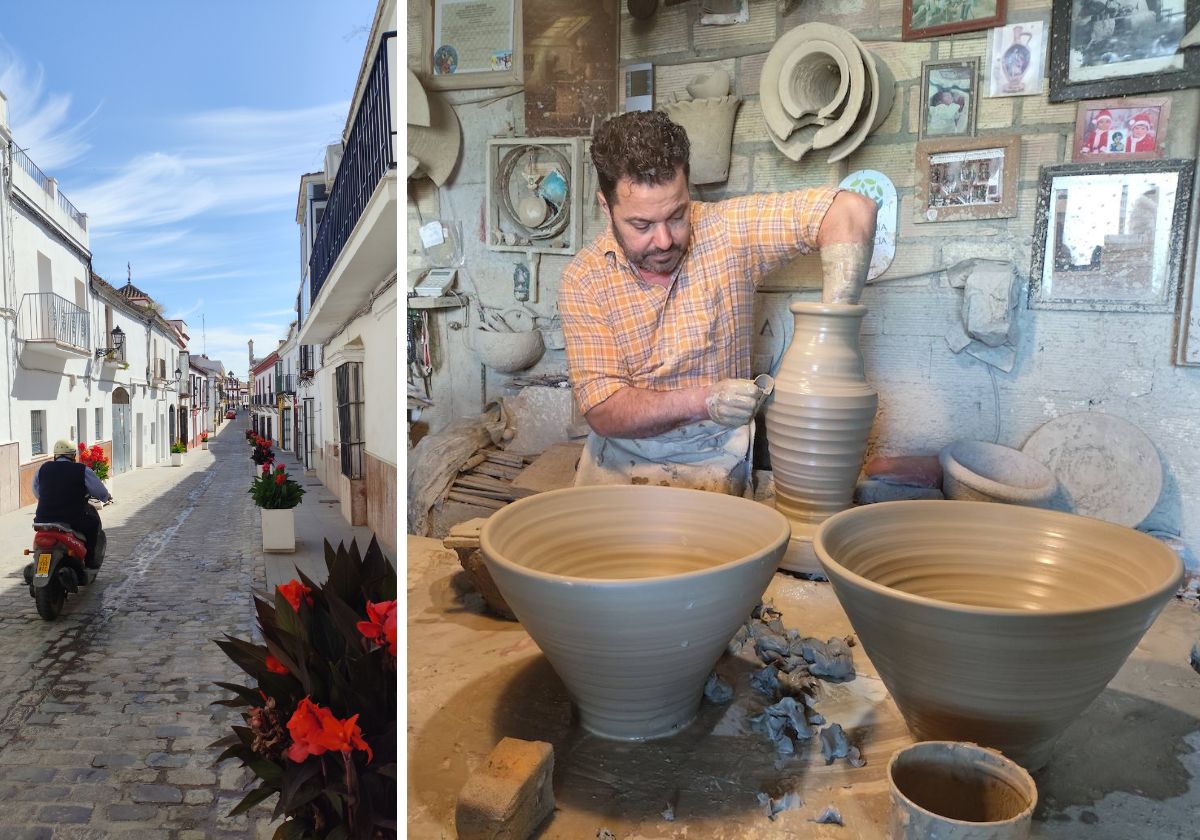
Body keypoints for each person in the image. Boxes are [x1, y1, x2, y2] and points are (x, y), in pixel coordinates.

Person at [558, 110, 876, 495]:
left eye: (677, 215)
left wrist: (833, 337)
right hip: (620, 463)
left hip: (715, 458)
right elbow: (604, 411)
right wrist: (704, 400)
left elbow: (852, 210)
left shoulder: (726, 231)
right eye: (641, 225)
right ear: (606, 208)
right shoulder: (584, 279)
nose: (663, 240)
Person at [32, 439, 111, 568]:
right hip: (72, 519)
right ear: (74, 456)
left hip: (43, 519)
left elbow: (37, 492)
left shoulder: (43, 468)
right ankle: (90, 561)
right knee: (93, 524)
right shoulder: (82, 470)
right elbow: (99, 491)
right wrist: (106, 497)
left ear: (55, 455)